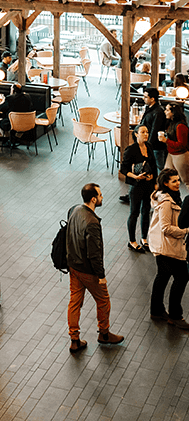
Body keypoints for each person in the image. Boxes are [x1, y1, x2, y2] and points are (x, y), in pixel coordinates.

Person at [66, 183, 124, 352]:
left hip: (73, 266)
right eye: (100, 195)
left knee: (75, 302)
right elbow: (94, 254)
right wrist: (101, 275)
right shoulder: (92, 222)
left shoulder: (75, 210)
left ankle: (74, 339)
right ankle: (104, 333)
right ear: (93, 199)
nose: (102, 197)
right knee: (103, 300)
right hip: (87, 270)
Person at [148, 169, 189, 327]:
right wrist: (185, 231)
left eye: (178, 180)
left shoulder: (170, 197)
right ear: (165, 183)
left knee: (163, 276)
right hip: (167, 247)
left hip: (163, 246)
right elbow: (166, 227)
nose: (178, 183)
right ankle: (175, 315)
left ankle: (156, 311)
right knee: (182, 277)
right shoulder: (166, 202)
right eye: (174, 181)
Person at [121, 125, 156, 252]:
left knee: (146, 211)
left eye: (147, 132)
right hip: (136, 186)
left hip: (148, 185)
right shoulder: (131, 150)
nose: (146, 134)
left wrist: (153, 177)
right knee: (134, 213)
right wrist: (136, 176)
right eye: (143, 132)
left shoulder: (149, 147)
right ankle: (132, 241)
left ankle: (144, 238)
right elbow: (124, 169)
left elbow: (153, 165)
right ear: (136, 134)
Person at [159, 103, 189, 188]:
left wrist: (166, 141)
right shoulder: (171, 123)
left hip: (181, 156)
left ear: (173, 112)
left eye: (167, 110)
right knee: (165, 178)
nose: (165, 112)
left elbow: (182, 145)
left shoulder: (180, 126)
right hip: (171, 154)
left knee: (186, 181)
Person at [139, 87, 167, 171]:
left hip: (156, 146)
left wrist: (148, 145)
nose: (143, 99)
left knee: (159, 167)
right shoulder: (150, 108)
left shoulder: (158, 112)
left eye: (146, 97)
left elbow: (155, 130)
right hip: (151, 145)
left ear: (152, 99)